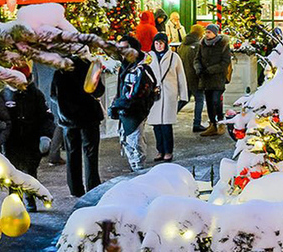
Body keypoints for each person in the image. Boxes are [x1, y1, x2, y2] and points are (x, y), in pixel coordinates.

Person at [50, 58, 105, 198]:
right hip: (89, 116)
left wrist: (65, 105)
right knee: (91, 153)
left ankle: (75, 188)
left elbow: (53, 95)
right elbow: (98, 91)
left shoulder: (60, 71)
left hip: (69, 119)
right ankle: (93, 185)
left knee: (72, 153)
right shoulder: (89, 67)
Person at [2, 72, 55, 211]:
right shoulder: (5, 94)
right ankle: (15, 204)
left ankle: (30, 197)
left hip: (31, 140)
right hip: (12, 141)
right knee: (12, 174)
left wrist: (45, 136)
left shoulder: (35, 94)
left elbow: (46, 117)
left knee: (30, 171)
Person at [110, 36, 151, 172]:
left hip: (135, 112)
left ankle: (139, 172)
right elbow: (121, 89)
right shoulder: (125, 66)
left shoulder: (141, 69)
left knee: (135, 143)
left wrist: (120, 103)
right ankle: (135, 170)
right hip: (125, 111)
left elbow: (140, 93)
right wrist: (117, 103)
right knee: (126, 141)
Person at [145, 33, 187, 162]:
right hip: (154, 95)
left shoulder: (174, 57)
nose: (159, 46)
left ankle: (168, 151)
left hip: (169, 94)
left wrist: (183, 96)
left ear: (165, 43)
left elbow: (181, 76)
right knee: (156, 125)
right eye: (156, 43)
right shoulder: (148, 57)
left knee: (166, 125)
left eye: (161, 43)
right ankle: (160, 150)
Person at [194, 24, 232, 137]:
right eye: (206, 32)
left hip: (217, 78)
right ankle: (212, 125)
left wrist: (210, 70)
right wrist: (198, 68)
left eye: (209, 32)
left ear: (215, 33)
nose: (207, 34)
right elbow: (197, 58)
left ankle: (220, 121)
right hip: (205, 79)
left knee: (216, 100)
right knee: (209, 102)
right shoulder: (202, 44)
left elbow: (225, 62)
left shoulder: (223, 44)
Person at [178, 25, 205, 132]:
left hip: (184, 76)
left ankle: (168, 116)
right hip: (194, 77)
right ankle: (196, 123)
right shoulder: (197, 46)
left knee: (185, 99)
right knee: (199, 99)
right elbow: (199, 62)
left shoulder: (182, 45)